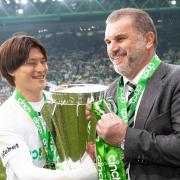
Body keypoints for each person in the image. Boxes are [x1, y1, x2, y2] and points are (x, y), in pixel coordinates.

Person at [86, 8, 180, 180]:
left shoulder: (176, 79)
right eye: (108, 42)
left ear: (148, 39)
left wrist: (125, 137)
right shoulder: (110, 91)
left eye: (120, 39)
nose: (112, 49)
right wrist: (98, 150)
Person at [0, 35, 97, 180]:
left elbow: (81, 151)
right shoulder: (6, 116)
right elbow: (26, 174)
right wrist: (87, 174)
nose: (41, 69)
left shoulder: (63, 103)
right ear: (11, 69)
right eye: (31, 63)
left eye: (43, 61)